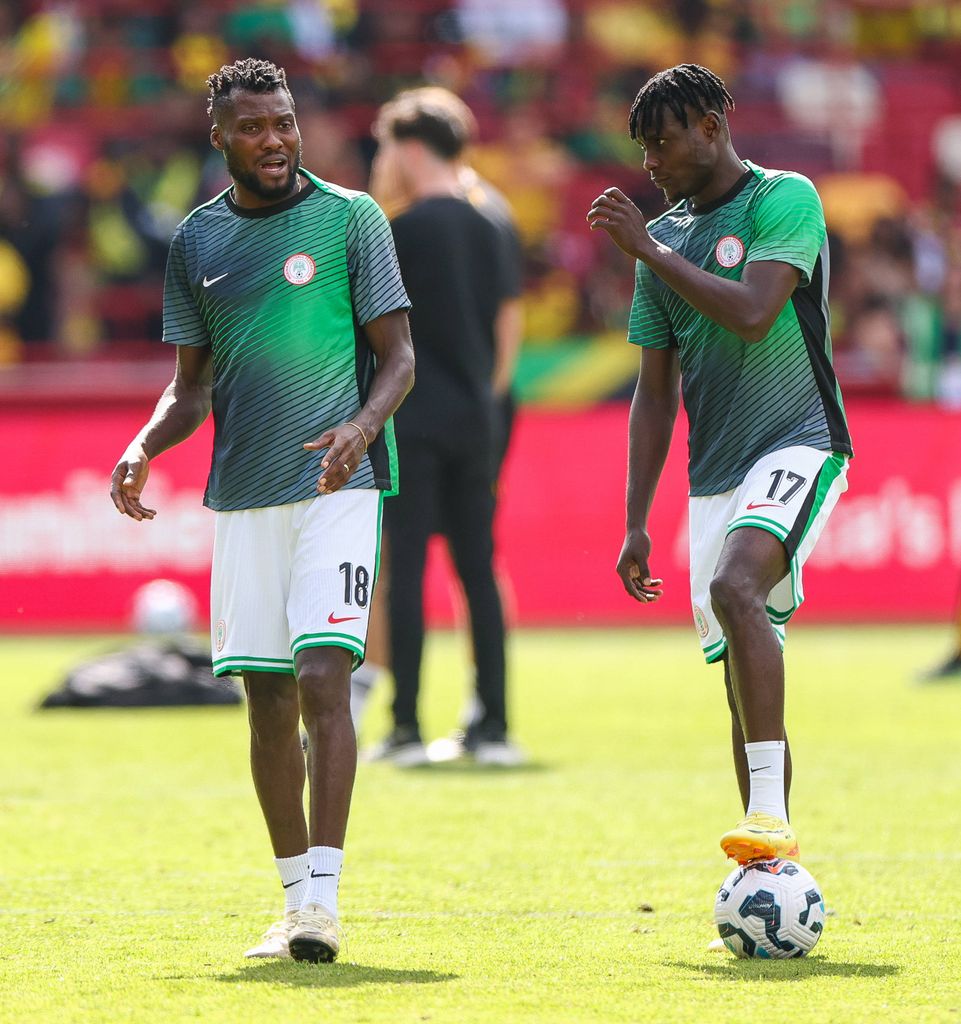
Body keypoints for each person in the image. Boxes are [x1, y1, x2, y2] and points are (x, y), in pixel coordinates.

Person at [109, 58, 414, 962]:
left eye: (284, 123)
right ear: (221, 138)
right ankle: (289, 902)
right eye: (254, 128)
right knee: (266, 702)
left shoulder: (352, 219)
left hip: (337, 486)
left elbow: (399, 358)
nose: (275, 140)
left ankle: (321, 900)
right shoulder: (196, 242)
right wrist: (142, 445)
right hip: (242, 496)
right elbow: (189, 390)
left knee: (325, 680)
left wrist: (360, 427)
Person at [587, 64, 852, 865]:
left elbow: (752, 311)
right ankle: (769, 872)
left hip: (800, 438)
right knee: (740, 670)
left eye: (662, 142)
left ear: (710, 124)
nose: (651, 164)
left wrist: (643, 247)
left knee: (735, 587)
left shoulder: (784, 198)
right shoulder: (661, 240)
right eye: (641, 150)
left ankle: (769, 817)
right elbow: (654, 391)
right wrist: (635, 517)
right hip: (715, 474)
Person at [351, 87, 525, 759]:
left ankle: (405, 728)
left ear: (411, 149)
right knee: (476, 568)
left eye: (388, 146)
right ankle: (495, 726)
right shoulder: (491, 221)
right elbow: (508, 323)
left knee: (405, 567)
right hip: (475, 416)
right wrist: (487, 396)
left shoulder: (397, 230)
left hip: (412, 420)